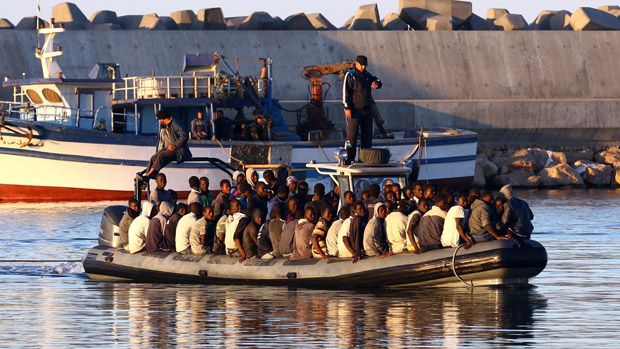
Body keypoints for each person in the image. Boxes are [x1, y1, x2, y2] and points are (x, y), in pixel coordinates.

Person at [342, 55, 382, 163]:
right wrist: (347, 107)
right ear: (357, 64)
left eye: (365, 65)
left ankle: (365, 159)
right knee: (352, 137)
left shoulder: (367, 75)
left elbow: (377, 81)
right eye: (362, 65)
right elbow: (346, 92)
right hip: (354, 110)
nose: (363, 67)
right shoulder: (350, 75)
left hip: (366, 110)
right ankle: (349, 159)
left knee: (367, 136)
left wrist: (376, 84)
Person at [142, 110, 192, 179]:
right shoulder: (166, 126)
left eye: (159, 119)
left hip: (178, 151)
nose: (159, 121)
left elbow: (184, 135)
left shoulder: (175, 124)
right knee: (153, 157)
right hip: (169, 149)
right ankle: (147, 176)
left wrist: (175, 146)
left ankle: (149, 175)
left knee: (161, 156)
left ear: (162, 119)